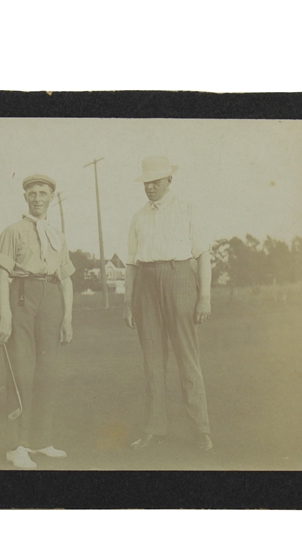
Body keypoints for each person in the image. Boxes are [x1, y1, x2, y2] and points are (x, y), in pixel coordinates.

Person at [123, 156, 213, 452]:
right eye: (146, 183)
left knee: (187, 358)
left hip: (180, 280)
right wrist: (128, 302)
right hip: (146, 286)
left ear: (169, 181)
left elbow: (202, 256)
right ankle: (154, 428)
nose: (150, 187)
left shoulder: (188, 208)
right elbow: (132, 264)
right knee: (153, 362)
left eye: (156, 182)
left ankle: (200, 430)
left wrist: (205, 297)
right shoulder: (139, 216)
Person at [0, 174, 75, 468]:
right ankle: (18, 445)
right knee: (21, 370)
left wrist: (67, 318)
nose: (38, 198)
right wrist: (6, 316)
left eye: (43, 193)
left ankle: (41, 440)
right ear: (25, 197)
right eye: (32, 193)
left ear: (51, 197)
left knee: (47, 371)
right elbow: (2, 277)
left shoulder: (58, 236)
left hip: (51, 298)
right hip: (23, 297)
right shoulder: (12, 231)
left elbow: (66, 280)